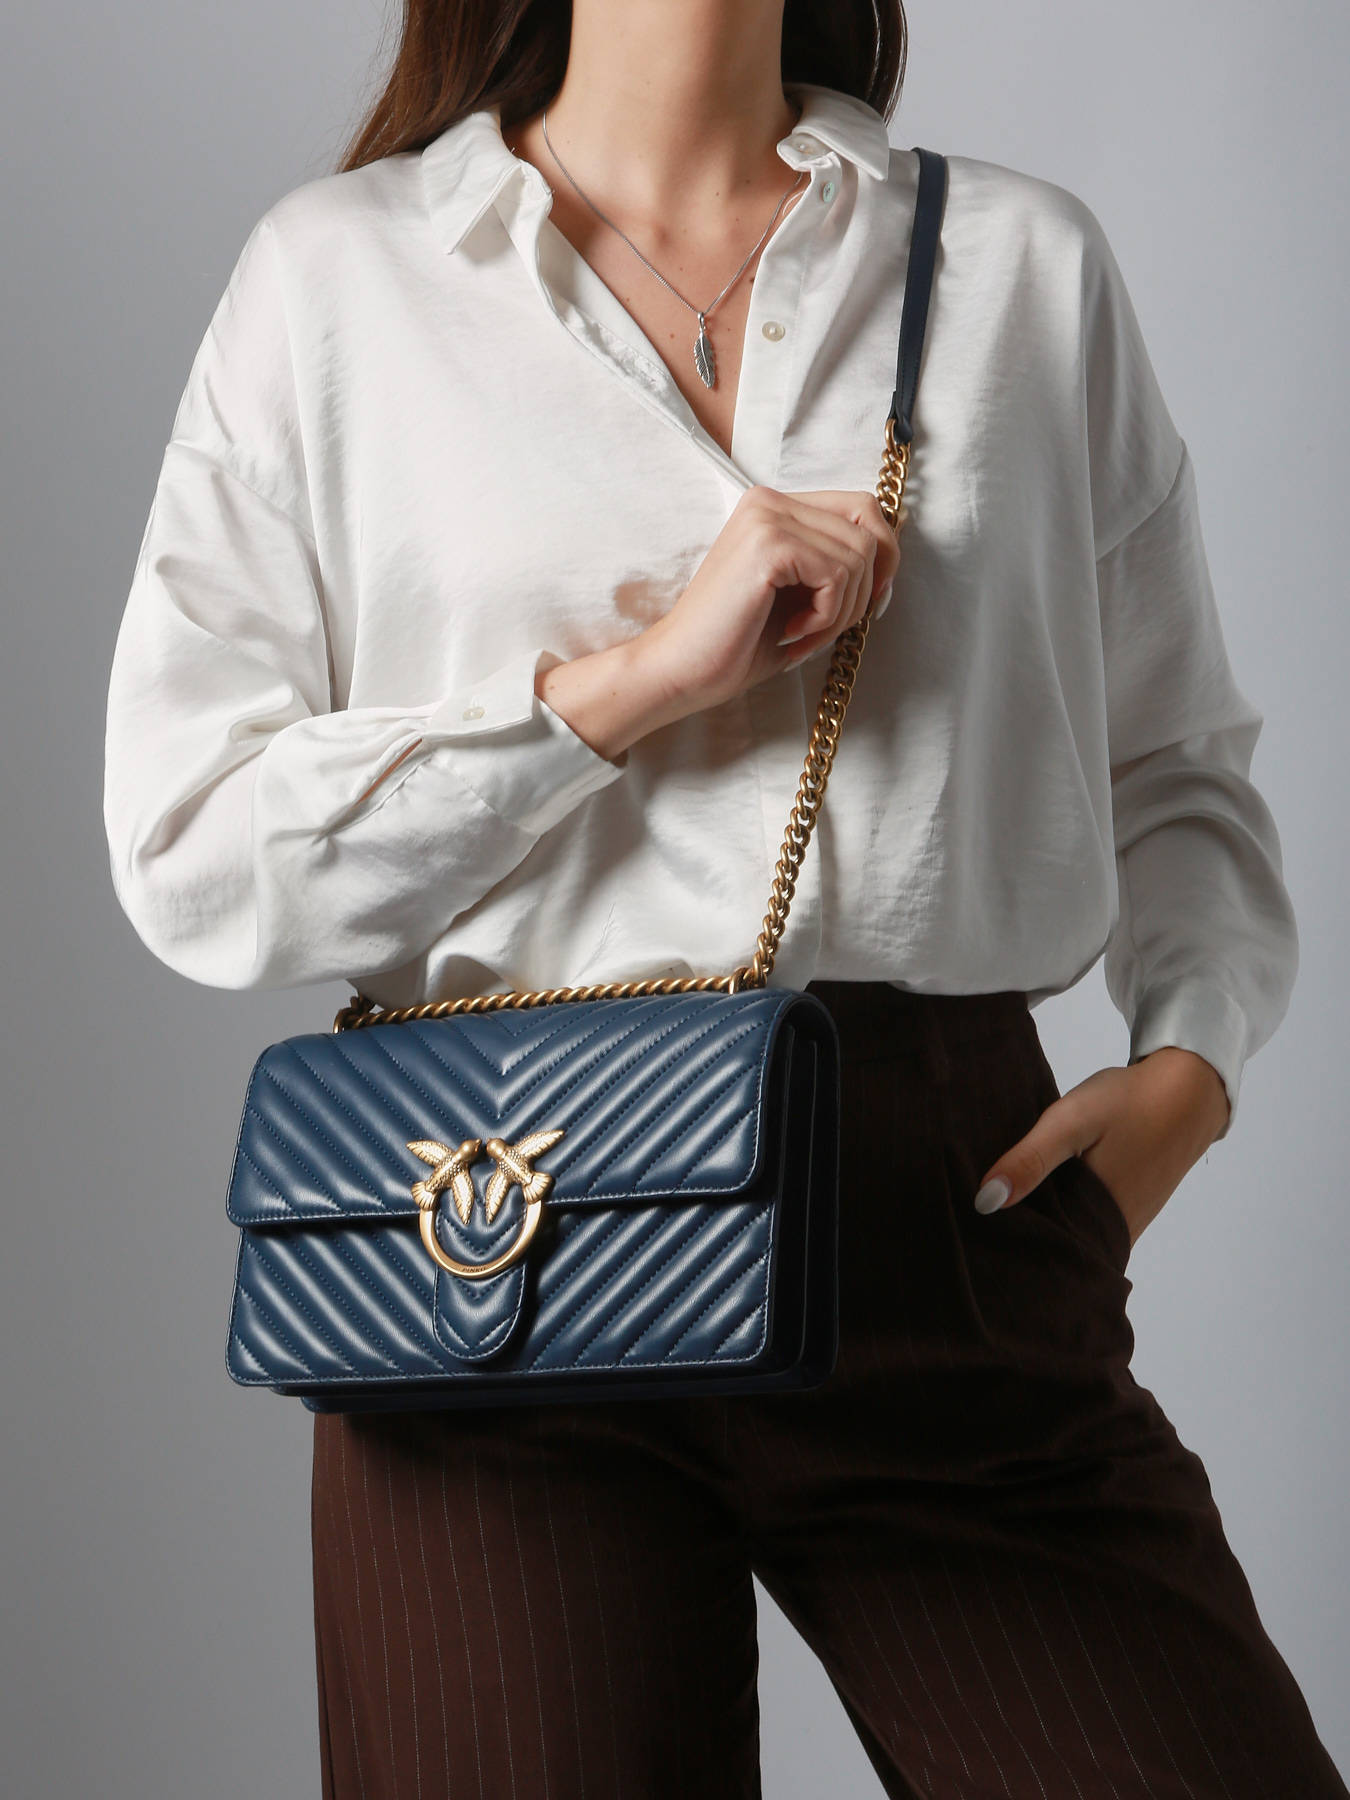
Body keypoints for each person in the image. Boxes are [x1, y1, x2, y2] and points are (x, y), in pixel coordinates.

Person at [102, 2, 1347, 1795]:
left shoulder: (1013, 264)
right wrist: (626, 688)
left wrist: (1189, 1072)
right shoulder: (341, 279)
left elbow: (1173, 759)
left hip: (947, 1218)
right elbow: (191, 849)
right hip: (493, 1237)